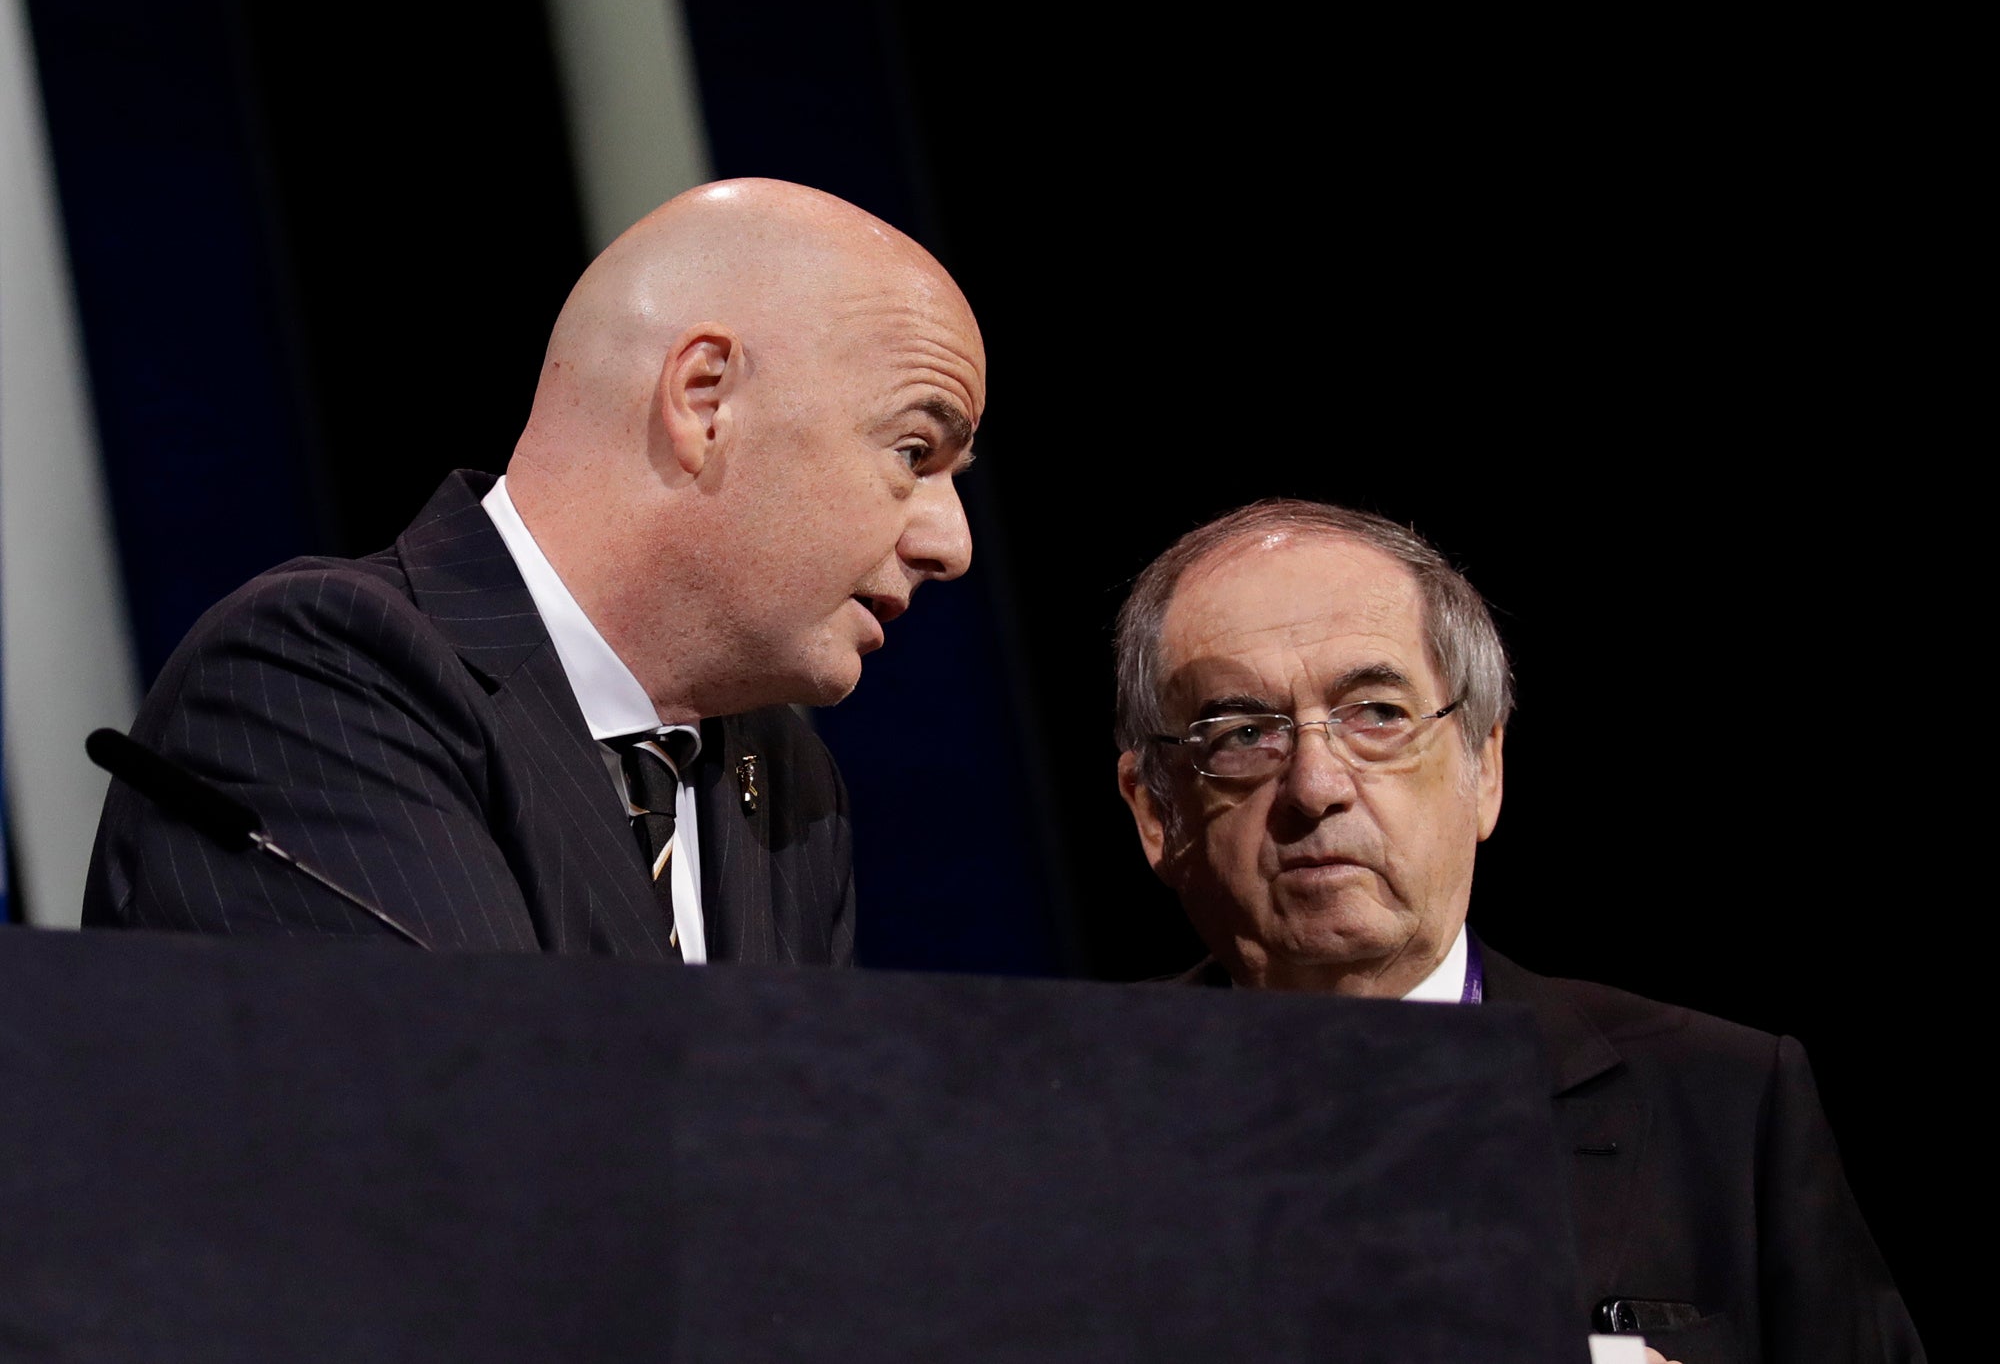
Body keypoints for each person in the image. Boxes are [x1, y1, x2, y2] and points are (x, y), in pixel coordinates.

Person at [84, 178, 984, 964]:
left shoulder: (788, 784)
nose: (953, 542)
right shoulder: (316, 680)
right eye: (914, 451)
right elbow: (471, 1121)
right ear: (705, 398)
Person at [1111, 500, 1923, 1363]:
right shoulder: (1057, 1128)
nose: (1317, 785)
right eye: (1243, 734)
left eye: (1378, 714)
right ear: (1158, 814)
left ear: (1484, 767)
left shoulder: (1726, 1102)